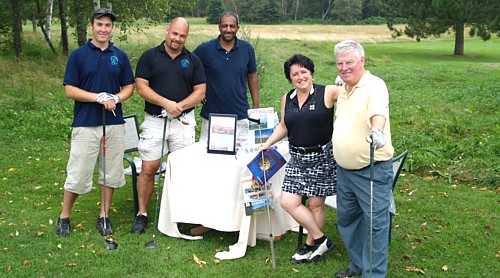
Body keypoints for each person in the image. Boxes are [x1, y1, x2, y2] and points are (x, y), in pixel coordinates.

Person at [56, 8, 135, 237]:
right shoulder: (79, 55)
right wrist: (97, 97)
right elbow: (70, 90)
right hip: (85, 122)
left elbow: (129, 86)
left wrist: (116, 97)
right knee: (78, 172)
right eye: (100, 24)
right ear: (92, 26)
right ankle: (64, 216)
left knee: (110, 172)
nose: (103, 29)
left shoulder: (119, 55)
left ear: (112, 29)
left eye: (108, 25)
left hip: (113, 122)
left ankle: (104, 216)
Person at [260, 54, 341, 263]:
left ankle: (310, 245)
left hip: (321, 157)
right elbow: (284, 126)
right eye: (295, 74)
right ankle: (322, 239)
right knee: (288, 201)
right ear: (290, 78)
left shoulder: (328, 92)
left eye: (304, 72)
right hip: (297, 157)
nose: (300, 76)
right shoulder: (287, 98)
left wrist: (343, 82)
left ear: (311, 73)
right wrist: (267, 144)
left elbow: (353, 96)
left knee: (315, 205)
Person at [131, 17, 206, 234]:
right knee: (149, 168)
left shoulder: (193, 60)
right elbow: (142, 87)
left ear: (186, 37)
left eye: (182, 35)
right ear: (167, 31)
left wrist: (179, 107)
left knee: (183, 169)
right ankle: (142, 214)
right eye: (174, 34)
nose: (177, 39)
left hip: (182, 121)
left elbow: (200, 91)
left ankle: (180, 213)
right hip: (155, 120)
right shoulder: (149, 56)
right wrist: (166, 104)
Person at [332, 40, 394, 278]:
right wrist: (341, 82)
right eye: (340, 63)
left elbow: (378, 112)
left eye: (349, 62)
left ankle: (373, 274)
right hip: (344, 171)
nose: (344, 67)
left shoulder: (374, 85)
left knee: (375, 226)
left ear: (362, 61)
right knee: (348, 220)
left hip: (371, 169)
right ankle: (358, 265)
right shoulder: (344, 87)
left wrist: (377, 130)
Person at [194, 12, 259, 142]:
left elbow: (252, 76)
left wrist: (256, 105)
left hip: (240, 113)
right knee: (208, 156)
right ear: (219, 27)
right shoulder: (205, 49)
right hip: (212, 114)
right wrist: (197, 92)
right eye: (225, 26)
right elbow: (190, 69)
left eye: (232, 26)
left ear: (237, 28)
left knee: (241, 157)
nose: (228, 30)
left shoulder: (247, 48)